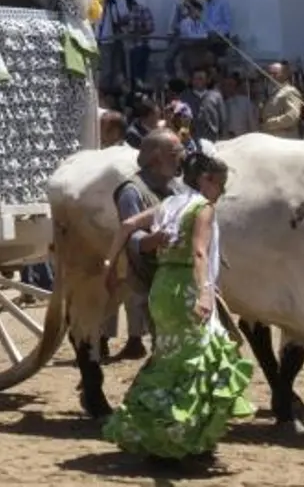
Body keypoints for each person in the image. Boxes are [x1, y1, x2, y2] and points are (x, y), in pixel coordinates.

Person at [100, 144, 255, 464]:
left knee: (169, 360)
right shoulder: (202, 208)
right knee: (198, 361)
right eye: (220, 186)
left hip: (162, 288)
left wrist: (110, 265)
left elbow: (128, 226)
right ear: (207, 179)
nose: (220, 193)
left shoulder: (169, 204)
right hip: (186, 287)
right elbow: (199, 252)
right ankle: (184, 440)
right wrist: (204, 292)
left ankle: (163, 434)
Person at [106, 128, 182, 363]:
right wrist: (158, 239)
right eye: (176, 152)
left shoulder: (175, 187)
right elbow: (133, 241)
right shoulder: (132, 191)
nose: (182, 157)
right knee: (167, 351)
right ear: (158, 157)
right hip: (154, 282)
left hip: (181, 279)